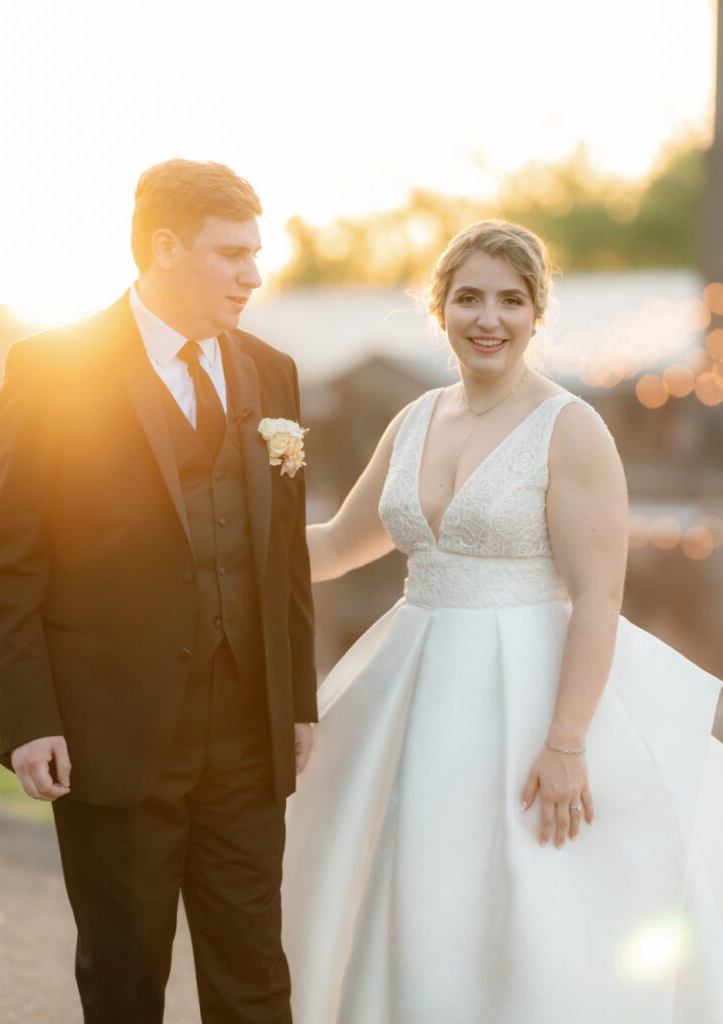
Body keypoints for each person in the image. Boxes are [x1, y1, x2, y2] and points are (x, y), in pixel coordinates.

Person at [281, 220, 723, 1023]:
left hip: (529, 694)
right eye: (469, 298)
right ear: (439, 308)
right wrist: (223, 543)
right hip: (412, 679)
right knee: (411, 880)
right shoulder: (414, 419)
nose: (489, 318)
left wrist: (565, 743)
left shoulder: (571, 427)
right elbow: (342, 544)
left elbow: (598, 596)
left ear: (536, 312)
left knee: (523, 897)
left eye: (511, 301)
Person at [0, 158, 317, 1024]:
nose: (253, 274)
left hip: (246, 733)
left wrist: (297, 700)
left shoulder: (272, 372)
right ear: (164, 247)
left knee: (255, 980)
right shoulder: (53, 367)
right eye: (232, 253)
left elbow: (282, 560)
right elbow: (10, 564)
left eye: (256, 252)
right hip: (110, 736)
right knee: (125, 979)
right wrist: (29, 717)